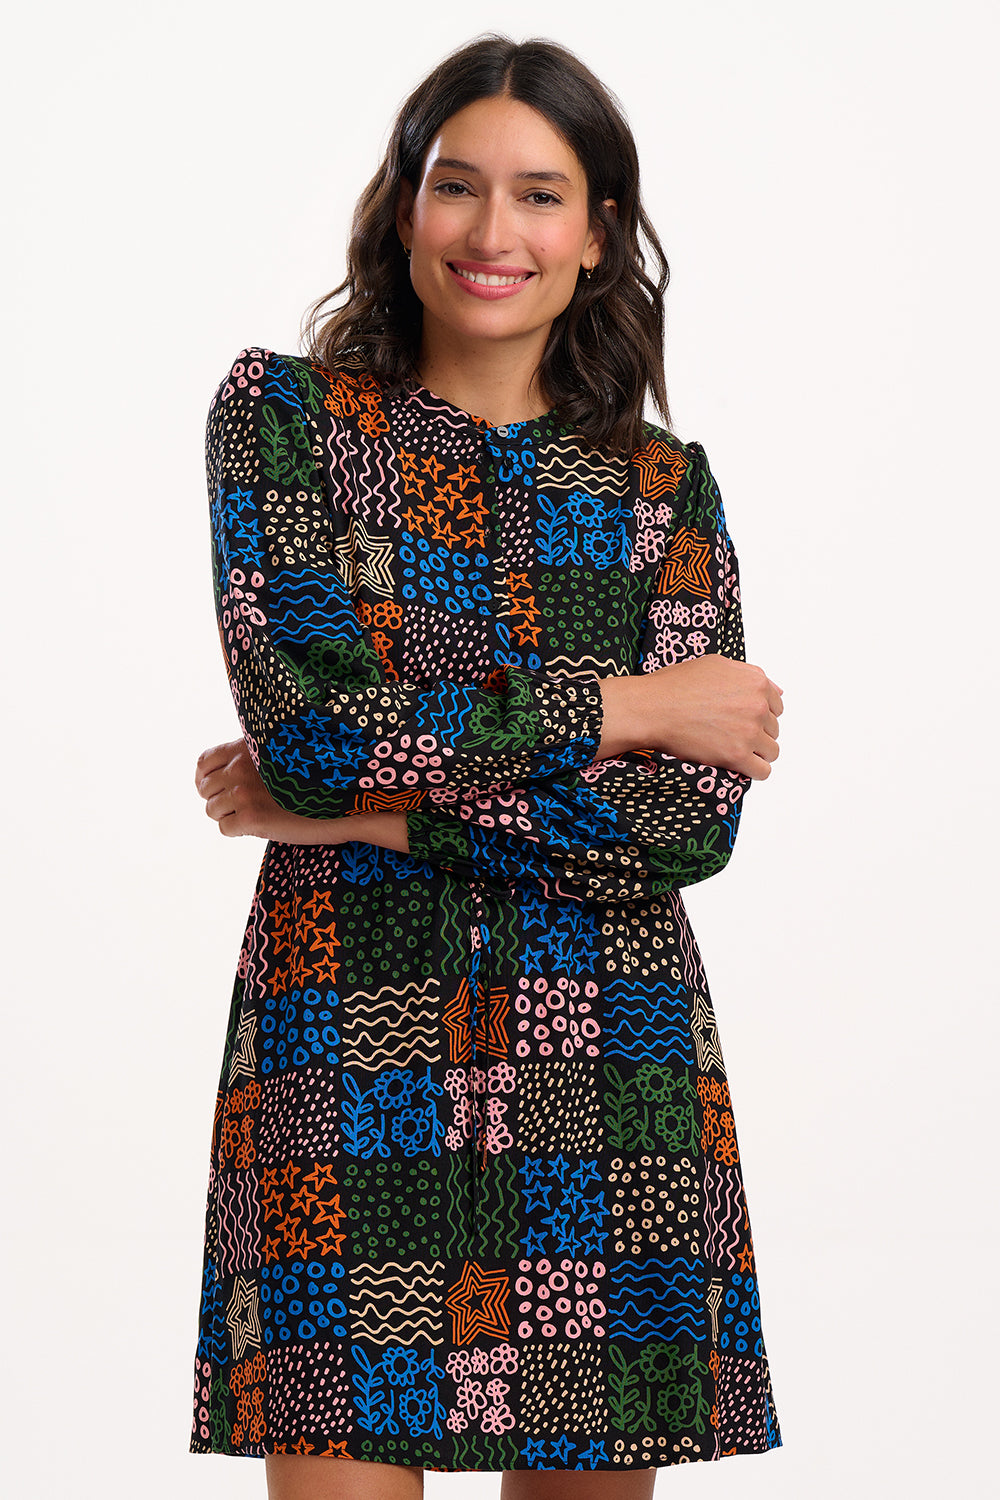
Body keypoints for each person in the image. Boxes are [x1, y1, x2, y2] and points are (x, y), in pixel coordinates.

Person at [189, 33, 784, 1500]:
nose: (492, 230)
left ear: (598, 235)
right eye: (457, 185)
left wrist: (373, 824)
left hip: (611, 1071)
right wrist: (631, 705)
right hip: (351, 1055)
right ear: (405, 207)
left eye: (540, 194)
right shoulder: (290, 422)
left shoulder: (661, 489)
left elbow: (682, 831)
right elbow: (314, 732)